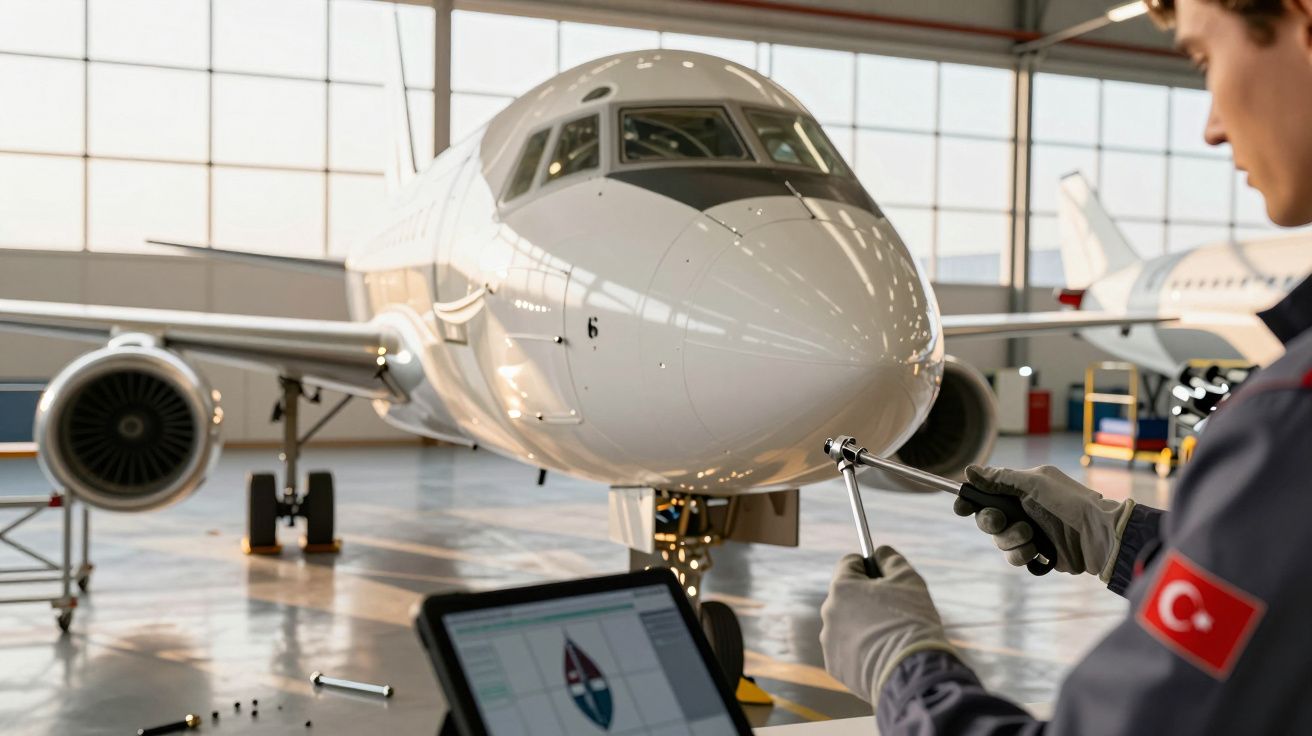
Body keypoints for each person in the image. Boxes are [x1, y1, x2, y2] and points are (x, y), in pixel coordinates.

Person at [818, 0, 1312, 732]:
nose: (1210, 125)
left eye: (1205, 60)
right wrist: (1124, 540)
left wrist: (903, 668)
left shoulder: (1290, 422)